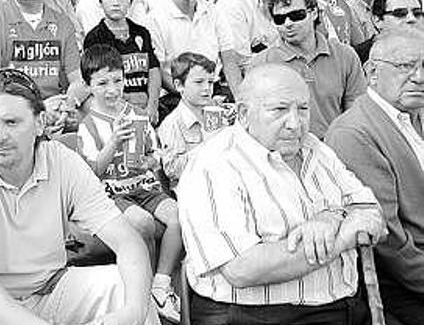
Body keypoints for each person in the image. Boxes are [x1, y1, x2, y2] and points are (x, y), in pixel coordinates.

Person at [0, 68, 158, 325]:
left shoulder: (62, 162)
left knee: (127, 288)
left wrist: (134, 312)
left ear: (39, 123)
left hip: (49, 288)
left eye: (11, 122)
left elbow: (128, 241)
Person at [178, 63, 386, 325]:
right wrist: (343, 238)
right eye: (279, 110)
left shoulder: (316, 149)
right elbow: (242, 269)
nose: (295, 123)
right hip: (255, 316)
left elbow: (370, 211)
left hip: (345, 307)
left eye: (303, 109)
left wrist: (330, 218)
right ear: (243, 113)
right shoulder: (213, 164)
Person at [326, 28, 424, 325]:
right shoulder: (354, 133)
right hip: (401, 283)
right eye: (405, 66)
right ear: (372, 73)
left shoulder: (415, 114)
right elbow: (391, 244)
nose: (419, 77)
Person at [77, 45, 182, 323]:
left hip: (144, 186)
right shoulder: (87, 125)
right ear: (89, 86)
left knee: (178, 217)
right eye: (102, 83)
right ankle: (142, 293)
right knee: (143, 223)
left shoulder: (138, 114)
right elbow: (91, 174)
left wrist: (150, 163)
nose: (112, 89)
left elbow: (155, 155)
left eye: (117, 80)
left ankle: (161, 284)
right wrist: (113, 142)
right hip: (112, 194)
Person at [252, 0, 366, 138]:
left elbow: (356, 110)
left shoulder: (345, 55)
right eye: (279, 19)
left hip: (334, 148)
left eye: (296, 15)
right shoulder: (263, 62)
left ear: (313, 13)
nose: (288, 23)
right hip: (284, 149)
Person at [83, 0, 161, 123]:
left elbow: (153, 70)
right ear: (100, 1)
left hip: (146, 106)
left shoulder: (142, 33)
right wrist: (130, 108)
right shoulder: (95, 37)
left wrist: (152, 106)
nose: (116, 2)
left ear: (131, 1)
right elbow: (98, 82)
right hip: (115, 111)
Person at [216, 0, 284, 97]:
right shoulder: (234, 2)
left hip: (272, 85)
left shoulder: (283, 5)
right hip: (232, 88)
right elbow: (236, 61)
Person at [157, 52, 220, 185]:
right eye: (199, 82)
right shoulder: (171, 124)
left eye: (210, 82)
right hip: (193, 188)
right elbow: (172, 169)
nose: (207, 88)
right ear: (179, 85)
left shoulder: (216, 115)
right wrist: (208, 147)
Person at [354, 0, 424, 63]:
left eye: (417, 13)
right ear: (378, 20)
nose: (411, 19)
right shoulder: (355, 57)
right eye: (400, 14)